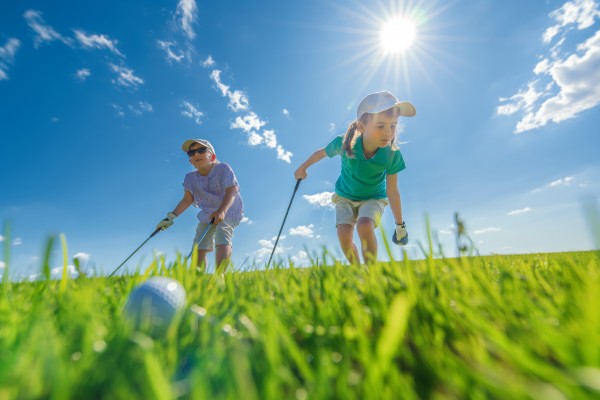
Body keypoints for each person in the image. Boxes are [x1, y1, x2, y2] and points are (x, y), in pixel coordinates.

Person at [294, 91, 415, 264]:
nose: (388, 132)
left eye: (393, 126)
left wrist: (399, 225)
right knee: (344, 234)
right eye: (380, 126)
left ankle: (371, 274)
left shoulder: (392, 155)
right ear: (361, 126)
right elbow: (321, 153)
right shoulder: (345, 143)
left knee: (365, 225)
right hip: (345, 196)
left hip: (374, 198)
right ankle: (358, 272)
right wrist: (302, 168)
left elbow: (392, 190)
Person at [156, 139, 244, 272]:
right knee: (199, 244)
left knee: (222, 231)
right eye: (191, 153)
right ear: (190, 160)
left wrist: (222, 211)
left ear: (212, 156)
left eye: (201, 150)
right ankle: (199, 277)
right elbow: (187, 200)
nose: (196, 154)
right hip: (207, 214)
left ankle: (221, 275)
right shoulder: (190, 178)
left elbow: (232, 190)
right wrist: (170, 217)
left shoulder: (223, 168)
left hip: (229, 209)